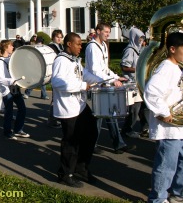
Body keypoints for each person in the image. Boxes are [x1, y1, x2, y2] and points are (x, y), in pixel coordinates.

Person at [144, 32, 183, 203]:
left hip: (181, 126)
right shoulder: (165, 68)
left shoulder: (176, 67)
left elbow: (175, 90)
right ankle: (158, 198)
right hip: (169, 127)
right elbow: (151, 91)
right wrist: (163, 112)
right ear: (172, 49)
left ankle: (180, 194)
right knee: (167, 165)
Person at [51, 32, 103, 188]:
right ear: (69, 44)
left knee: (91, 133)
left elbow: (84, 74)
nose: (81, 46)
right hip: (68, 108)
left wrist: (104, 81)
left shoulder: (74, 60)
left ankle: (81, 167)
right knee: (71, 142)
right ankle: (65, 174)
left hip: (79, 105)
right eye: (78, 44)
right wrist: (82, 86)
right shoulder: (61, 60)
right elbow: (57, 82)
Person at [85, 22, 132, 154]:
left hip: (104, 84)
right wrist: (112, 80)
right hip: (96, 85)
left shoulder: (103, 45)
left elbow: (104, 68)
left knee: (110, 114)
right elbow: (95, 70)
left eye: (109, 32)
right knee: (99, 117)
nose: (108, 35)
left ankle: (118, 144)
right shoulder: (92, 47)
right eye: (106, 32)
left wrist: (116, 77)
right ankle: (92, 144)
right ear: (98, 31)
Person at [0, 39, 30, 140]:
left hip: (15, 88)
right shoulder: (0, 61)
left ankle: (18, 129)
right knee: (9, 112)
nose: (13, 47)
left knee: (22, 109)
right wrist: (12, 81)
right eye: (11, 46)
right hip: (7, 89)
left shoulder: (11, 59)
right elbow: (0, 78)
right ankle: (7, 132)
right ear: (6, 47)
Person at [120, 27, 146, 138]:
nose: (141, 41)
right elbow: (124, 66)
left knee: (143, 107)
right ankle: (127, 129)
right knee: (134, 109)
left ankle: (144, 127)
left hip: (138, 82)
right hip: (131, 83)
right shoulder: (130, 50)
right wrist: (139, 69)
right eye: (139, 38)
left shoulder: (138, 49)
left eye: (142, 38)